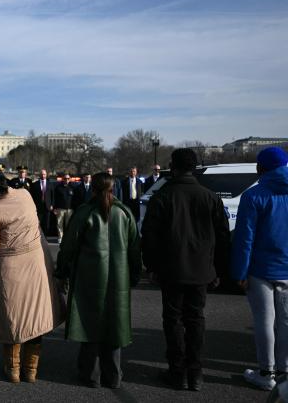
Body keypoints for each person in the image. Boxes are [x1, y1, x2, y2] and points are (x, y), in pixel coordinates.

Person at [141, 148, 230, 391]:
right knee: (195, 318)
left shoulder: (164, 196)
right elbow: (223, 238)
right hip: (202, 268)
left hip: (171, 268)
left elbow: (149, 236)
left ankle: (178, 371)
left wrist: (151, 266)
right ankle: (196, 371)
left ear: (174, 166)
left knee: (173, 320)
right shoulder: (210, 196)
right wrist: (220, 269)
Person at [54, 172, 141, 389]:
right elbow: (135, 250)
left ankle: (90, 374)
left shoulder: (85, 212)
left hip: (89, 275)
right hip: (119, 276)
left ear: (92, 188)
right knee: (115, 324)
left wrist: (61, 272)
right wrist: (135, 275)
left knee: (89, 323)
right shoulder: (125, 213)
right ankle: (113, 375)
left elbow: (68, 246)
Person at [0, 169, 64, 383]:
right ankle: (31, 370)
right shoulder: (25, 195)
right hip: (36, 263)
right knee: (35, 316)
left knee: (12, 321)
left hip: (11, 269)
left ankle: (14, 369)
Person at [231, 147, 288, 391]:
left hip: (260, 268)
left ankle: (267, 373)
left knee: (265, 321)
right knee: (286, 323)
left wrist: (239, 273)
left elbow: (245, 239)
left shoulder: (254, 195)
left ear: (260, 168)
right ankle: (285, 371)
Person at [53, 172, 75, 244]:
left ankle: (68, 238)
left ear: (70, 179)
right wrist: (55, 208)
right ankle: (60, 237)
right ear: (63, 179)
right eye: (65, 178)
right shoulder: (58, 187)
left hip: (70, 209)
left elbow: (75, 199)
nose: (67, 180)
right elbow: (55, 198)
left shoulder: (72, 187)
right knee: (59, 224)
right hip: (60, 209)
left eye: (68, 178)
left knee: (69, 225)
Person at [30, 169, 53, 235]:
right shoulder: (35, 184)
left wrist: (52, 205)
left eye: (44, 174)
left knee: (46, 222)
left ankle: (45, 235)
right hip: (38, 206)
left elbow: (52, 195)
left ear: (46, 175)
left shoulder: (50, 184)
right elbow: (33, 196)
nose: (43, 175)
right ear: (39, 175)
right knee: (37, 222)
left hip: (47, 206)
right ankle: (38, 235)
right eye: (42, 174)